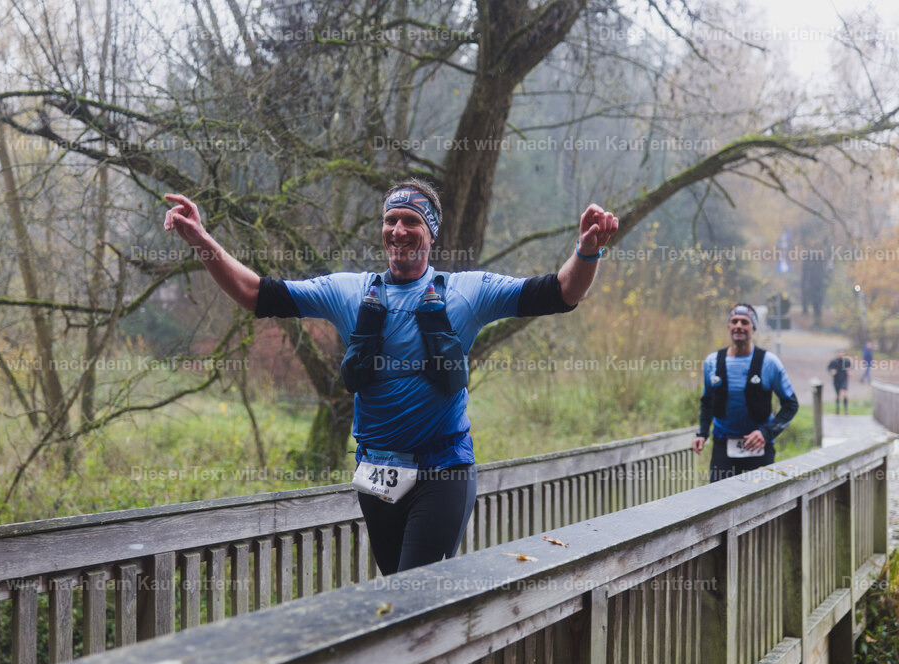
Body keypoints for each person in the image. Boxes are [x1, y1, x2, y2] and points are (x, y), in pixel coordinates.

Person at [163, 180, 618, 575]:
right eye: (390, 220)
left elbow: (562, 292)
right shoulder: (349, 291)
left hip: (443, 472)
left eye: (411, 221)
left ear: (431, 233)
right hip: (378, 473)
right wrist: (202, 239)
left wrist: (587, 251)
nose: (398, 230)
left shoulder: (468, 292)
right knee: (401, 595)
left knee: (412, 594)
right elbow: (255, 293)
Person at [691, 304, 799, 483]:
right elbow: (707, 401)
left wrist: (766, 433)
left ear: (753, 328)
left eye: (745, 322)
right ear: (729, 327)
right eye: (734, 321)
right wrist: (702, 433)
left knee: (762, 505)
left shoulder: (769, 362)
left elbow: (791, 405)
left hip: (758, 448)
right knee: (719, 503)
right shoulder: (712, 362)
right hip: (723, 446)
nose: (739, 326)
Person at [827, 349, 852, 414]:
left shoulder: (847, 361)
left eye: (842, 353)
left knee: (845, 394)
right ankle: (837, 410)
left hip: (844, 379)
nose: (841, 354)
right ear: (837, 354)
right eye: (840, 353)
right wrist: (831, 371)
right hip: (836, 379)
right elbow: (829, 368)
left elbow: (850, 367)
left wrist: (849, 372)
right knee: (838, 395)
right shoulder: (833, 361)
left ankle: (846, 410)